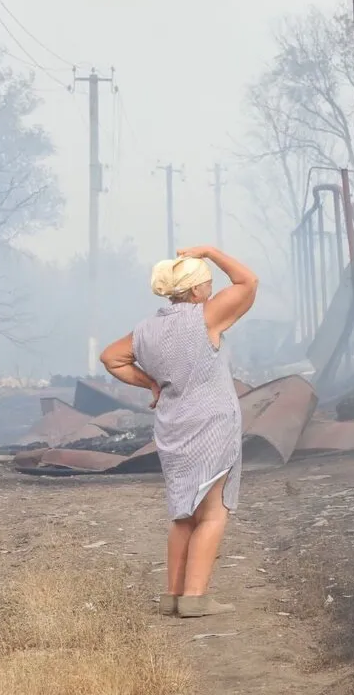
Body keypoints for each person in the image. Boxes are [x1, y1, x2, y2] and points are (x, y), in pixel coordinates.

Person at [99, 246, 258, 618]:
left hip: (173, 427)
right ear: (198, 291)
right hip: (211, 423)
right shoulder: (206, 317)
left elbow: (111, 358)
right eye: (208, 282)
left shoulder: (147, 329)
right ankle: (195, 597)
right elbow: (248, 281)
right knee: (213, 512)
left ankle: (172, 595)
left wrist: (150, 383)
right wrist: (211, 251)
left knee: (183, 514)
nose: (212, 288)